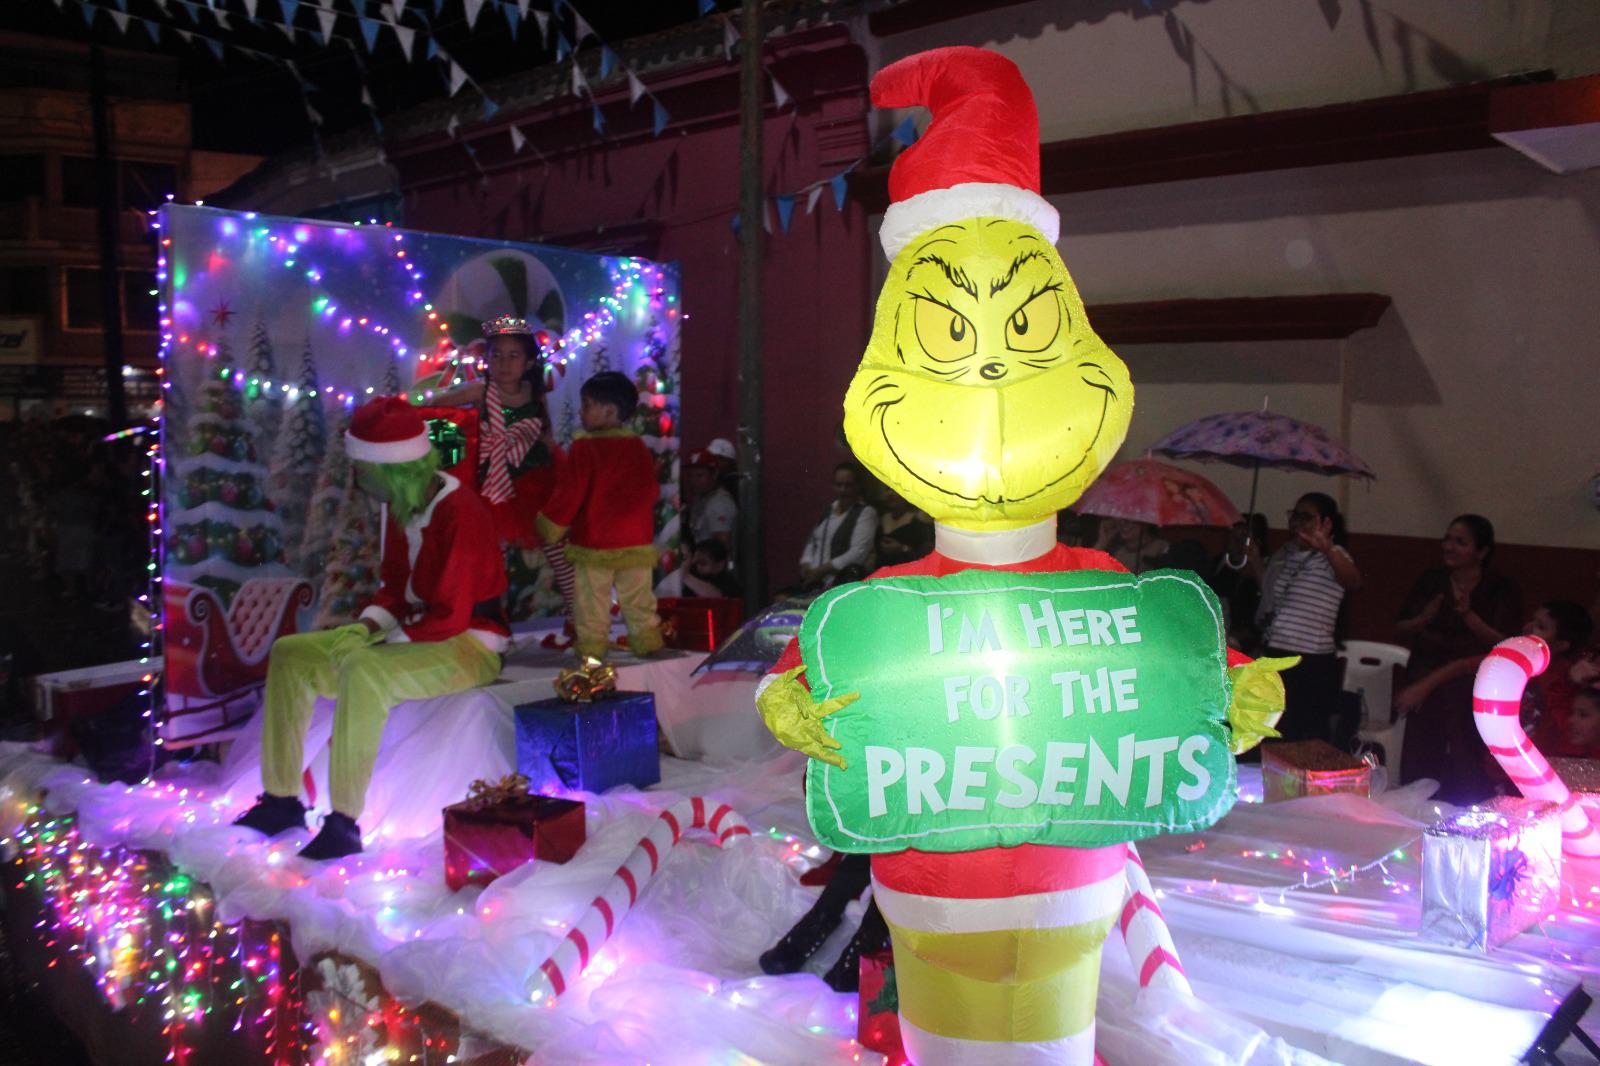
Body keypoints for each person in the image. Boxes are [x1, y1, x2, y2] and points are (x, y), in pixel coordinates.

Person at [234, 397, 508, 860]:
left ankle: (344, 822)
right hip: (423, 633)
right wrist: (364, 629)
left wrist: (381, 645)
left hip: (469, 644)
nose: (358, 478)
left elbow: (452, 614)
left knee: (364, 670)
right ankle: (281, 798)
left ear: (389, 467)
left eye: (363, 468)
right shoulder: (401, 509)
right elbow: (395, 591)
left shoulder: (460, 510)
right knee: (292, 653)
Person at [428, 316, 577, 628]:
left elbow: (545, 437)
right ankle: (484, 619)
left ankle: (582, 615)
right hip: (493, 484)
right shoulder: (479, 392)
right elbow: (435, 408)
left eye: (513, 356)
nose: (504, 363)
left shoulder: (535, 395)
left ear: (528, 362)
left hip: (535, 481)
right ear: (486, 359)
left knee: (557, 547)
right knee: (489, 552)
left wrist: (566, 471)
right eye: (496, 355)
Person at [537, 372, 663, 661]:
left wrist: (551, 525)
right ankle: (647, 640)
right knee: (638, 597)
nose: (581, 411)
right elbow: (650, 490)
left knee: (591, 600)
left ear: (609, 411)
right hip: (635, 540)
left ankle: (593, 646)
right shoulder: (638, 447)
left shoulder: (585, 448)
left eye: (587, 405)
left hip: (595, 541)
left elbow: (571, 492)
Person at [1395, 514, 1522, 800]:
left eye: (1460, 542)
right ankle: (1417, 803)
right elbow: (1401, 627)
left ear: (1482, 552)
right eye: (1448, 539)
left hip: (1473, 679)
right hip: (1426, 671)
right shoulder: (1433, 580)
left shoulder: (1500, 587)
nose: (1449, 547)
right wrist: (1422, 619)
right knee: (1422, 741)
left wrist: (1468, 615)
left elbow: (1505, 644)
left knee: (1462, 730)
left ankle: (1467, 806)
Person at [1251, 493, 1363, 743]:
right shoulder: (1286, 553)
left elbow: (1354, 582)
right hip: (1276, 651)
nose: (1298, 522)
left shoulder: (1334, 556)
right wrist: (1256, 560)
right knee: (1272, 728)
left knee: (1304, 730)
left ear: (1326, 523)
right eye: (1295, 515)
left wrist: (1328, 548)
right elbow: (1270, 595)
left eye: (1306, 516)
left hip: (1311, 658)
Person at [797, 461, 877, 591]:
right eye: (839, 485)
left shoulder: (865, 512)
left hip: (839, 583)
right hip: (814, 582)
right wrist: (806, 562)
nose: (843, 490)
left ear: (858, 486)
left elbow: (858, 552)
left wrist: (822, 570)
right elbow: (813, 541)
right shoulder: (828, 510)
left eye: (848, 485)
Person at [1207, 513, 1270, 651]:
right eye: (1230, 537)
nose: (1233, 545)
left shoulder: (1267, 571)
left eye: (1240, 539)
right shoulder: (1219, 566)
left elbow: (1262, 619)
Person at [682, 448, 737, 554]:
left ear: (714, 475)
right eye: (689, 475)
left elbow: (720, 548)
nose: (693, 481)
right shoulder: (702, 498)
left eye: (699, 476)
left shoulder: (720, 503)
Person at [655, 538, 742, 600]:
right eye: (695, 562)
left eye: (703, 563)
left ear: (720, 564)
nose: (698, 567)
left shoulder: (728, 583)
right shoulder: (693, 572)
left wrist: (684, 575)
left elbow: (716, 597)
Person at [875, 485, 933, 568]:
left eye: (895, 489)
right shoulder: (883, 517)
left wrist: (902, 549)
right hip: (880, 572)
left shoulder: (919, 521)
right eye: (887, 489)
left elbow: (925, 556)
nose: (890, 494)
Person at [1093, 516, 1168, 574]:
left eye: (1130, 520)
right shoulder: (1116, 551)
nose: (1122, 524)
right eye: (1120, 519)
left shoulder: (1161, 547)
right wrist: (1102, 542)